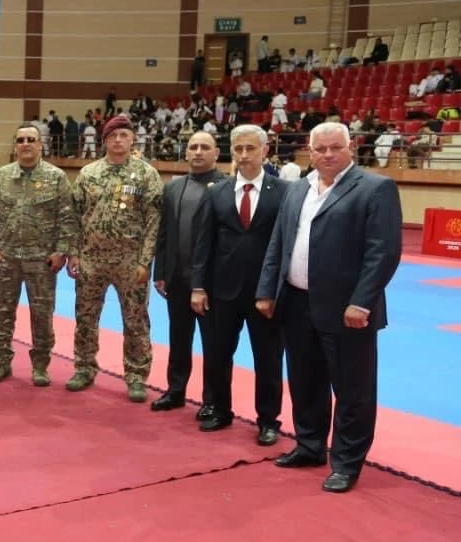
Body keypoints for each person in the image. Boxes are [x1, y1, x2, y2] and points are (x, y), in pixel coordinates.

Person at [256, 122, 402, 493]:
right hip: (297, 301)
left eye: (335, 147)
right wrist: (267, 290)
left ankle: (347, 462)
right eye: (320, 149)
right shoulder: (299, 188)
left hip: (347, 309)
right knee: (306, 382)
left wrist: (361, 302)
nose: (327, 155)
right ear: (309, 150)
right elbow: (279, 243)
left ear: (351, 147)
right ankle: (309, 445)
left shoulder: (374, 188)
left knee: (353, 389)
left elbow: (382, 252)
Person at [190, 125, 288, 444]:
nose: (244, 155)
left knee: (268, 359)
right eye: (238, 149)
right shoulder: (217, 191)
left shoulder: (284, 192)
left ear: (265, 151)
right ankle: (220, 409)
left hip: (266, 292)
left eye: (250, 148)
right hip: (222, 290)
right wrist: (198, 286)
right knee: (218, 354)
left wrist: (277, 288)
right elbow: (204, 242)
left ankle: (269, 420)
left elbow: (286, 245)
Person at [67, 115, 163, 402]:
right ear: (104, 140)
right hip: (91, 260)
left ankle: (136, 376)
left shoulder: (146, 175)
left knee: (135, 320)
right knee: (85, 318)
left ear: (132, 139)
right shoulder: (88, 174)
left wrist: (145, 262)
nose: (118, 140)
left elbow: (153, 222)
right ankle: (84, 367)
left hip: (130, 261)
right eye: (113, 136)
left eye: (124, 135)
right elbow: (74, 216)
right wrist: (74, 252)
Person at [0, 123, 73, 386]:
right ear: (15, 145)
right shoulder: (0, 176)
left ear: (40, 144)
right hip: (6, 258)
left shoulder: (56, 177)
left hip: (42, 260)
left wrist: (61, 251)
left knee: (42, 314)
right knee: (2, 313)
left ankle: (41, 366)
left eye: (31, 139)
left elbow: (66, 218)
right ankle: (1, 363)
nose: (25, 144)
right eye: (20, 139)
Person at [150, 132, 225, 414]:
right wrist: (161, 271)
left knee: (212, 343)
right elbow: (164, 233)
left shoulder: (226, 187)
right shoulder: (173, 187)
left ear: (216, 153)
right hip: (177, 278)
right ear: (185, 152)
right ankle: (176, 390)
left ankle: (211, 399)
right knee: (179, 338)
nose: (198, 152)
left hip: (210, 282)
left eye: (205, 147)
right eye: (193, 147)